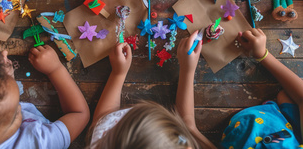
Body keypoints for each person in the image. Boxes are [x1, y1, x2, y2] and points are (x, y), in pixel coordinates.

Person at [86, 39, 215, 149]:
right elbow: (188, 126)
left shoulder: (104, 141)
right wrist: (188, 70)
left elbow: (103, 119)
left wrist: (117, 74)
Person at [217, 29, 303, 148]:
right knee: (284, 96)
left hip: (232, 130)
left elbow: (191, 129)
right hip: (275, 120)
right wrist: (262, 55)